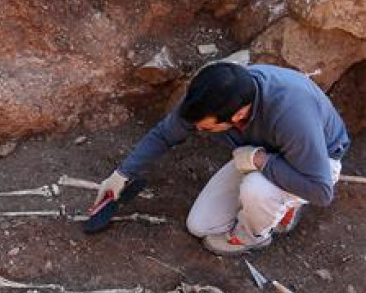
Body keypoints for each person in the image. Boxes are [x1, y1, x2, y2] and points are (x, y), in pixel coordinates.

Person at [95, 62, 349, 255]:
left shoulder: (292, 116)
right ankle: (274, 203)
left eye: (206, 128)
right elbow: (165, 134)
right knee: (200, 226)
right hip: (255, 153)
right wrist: (122, 174)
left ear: (238, 116)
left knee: (256, 190)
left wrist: (261, 161)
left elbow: (321, 192)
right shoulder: (210, 96)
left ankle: (255, 235)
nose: (198, 131)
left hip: (315, 164)